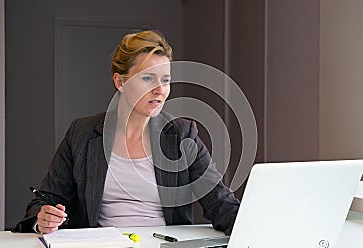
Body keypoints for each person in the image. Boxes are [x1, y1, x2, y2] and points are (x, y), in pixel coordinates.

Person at [13, 30, 240, 235]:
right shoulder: (81, 134)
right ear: (120, 82)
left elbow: (221, 203)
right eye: (148, 78)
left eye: (166, 80)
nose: (160, 90)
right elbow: (45, 201)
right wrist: (42, 219)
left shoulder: (182, 135)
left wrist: (258, 229)